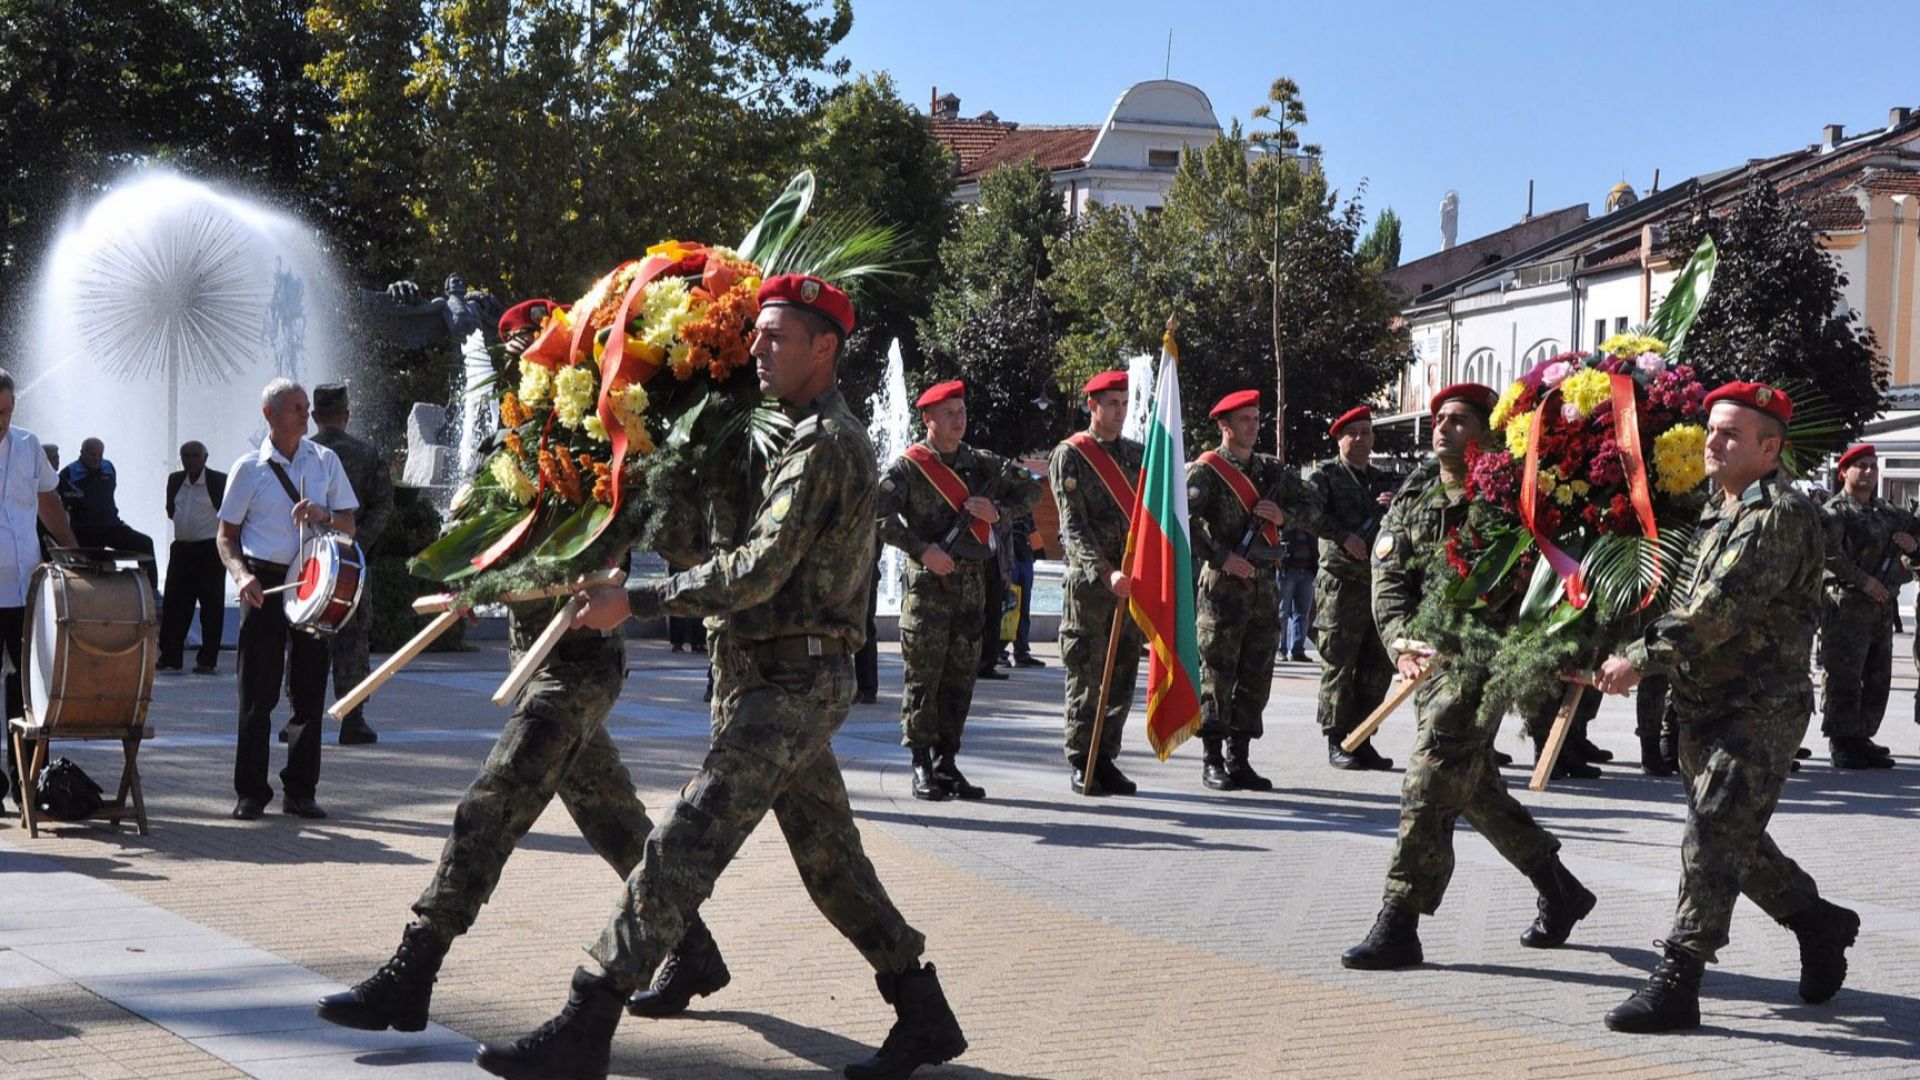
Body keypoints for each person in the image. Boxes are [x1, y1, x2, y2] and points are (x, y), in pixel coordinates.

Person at [474, 275, 965, 1080]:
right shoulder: (784, 435)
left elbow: (760, 569)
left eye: (776, 337)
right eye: (757, 335)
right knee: (832, 862)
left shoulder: (827, 445)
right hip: (770, 678)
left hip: (793, 685)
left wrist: (634, 599)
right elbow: (708, 547)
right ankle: (923, 1012)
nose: (758, 349)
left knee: (684, 842)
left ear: (824, 348)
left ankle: (586, 1019)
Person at [317, 592, 730, 1034]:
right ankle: (693, 948)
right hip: (536, 663)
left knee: (491, 805)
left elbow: (613, 548)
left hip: (577, 668)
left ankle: (414, 969)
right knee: (614, 823)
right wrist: (483, 578)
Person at [1592, 382, 1860, 1033]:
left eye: (1730, 434)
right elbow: (1681, 597)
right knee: (1734, 840)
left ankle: (1680, 977)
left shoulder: (1781, 516)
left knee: (1711, 832)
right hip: (1701, 705)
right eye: (1712, 429)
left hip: (1760, 708)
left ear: (1769, 449)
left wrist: (1640, 658)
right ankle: (1818, 922)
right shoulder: (1718, 510)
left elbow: (1719, 609)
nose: (1712, 441)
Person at [1341, 383, 1594, 971]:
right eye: (1438, 419)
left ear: (1484, 432)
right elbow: (1389, 578)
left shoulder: (1508, 496)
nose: (1442, 428)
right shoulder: (1414, 496)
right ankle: (1561, 889)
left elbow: (1542, 578)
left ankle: (1399, 919)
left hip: (1484, 663)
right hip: (1425, 664)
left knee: (1428, 779)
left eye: (1457, 420)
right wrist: (1402, 644)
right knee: (1473, 790)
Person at [878, 380, 1038, 801]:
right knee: (923, 678)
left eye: (962, 411)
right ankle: (920, 764)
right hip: (928, 587)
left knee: (961, 678)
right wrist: (921, 549)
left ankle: (947, 763)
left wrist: (998, 511)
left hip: (971, 587)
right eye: (949, 413)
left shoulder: (982, 463)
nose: (958, 420)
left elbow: (1032, 488)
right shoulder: (909, 468)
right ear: (927, 419)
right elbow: (877, 514)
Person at [216, 379, 358, 821]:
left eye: (306, 407)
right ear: (269, 415)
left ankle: (301, 790)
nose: (306, 413)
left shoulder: (325, 461)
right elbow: (226, 537)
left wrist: (322, 515)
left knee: (309, 692)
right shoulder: (248, 469)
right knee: (257, 695)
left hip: (313, 582)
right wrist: (241, 577)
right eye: (296, 407)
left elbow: (349, 526)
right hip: (264, 584)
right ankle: (251, 793)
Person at [1185, 389, 1336, 791]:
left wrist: (1284, 516)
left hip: (1265, 587)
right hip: (1223, 589)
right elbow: (1180, 523)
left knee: (1256, 675)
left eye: (1256, 418)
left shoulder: (1272, 471)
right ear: (1225, 426)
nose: (1253, 426)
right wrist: (1219, 556)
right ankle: (1212, 759)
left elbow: (1317, 506)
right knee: (1217, 675)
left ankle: (1240, 758)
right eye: (1245, 420)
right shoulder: (1207, 471)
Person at [1050, 370, 1146, 797]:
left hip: (1130, 587)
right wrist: (1106, 571)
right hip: (1092, 587)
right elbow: (1072, 527)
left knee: (1122, 675)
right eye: (1111, 404)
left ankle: (1106, 757)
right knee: (1087, 676)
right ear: (1092, 406)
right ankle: (1081, 757)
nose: (1120, 412)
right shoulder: (1071, 455)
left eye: (1125, 404)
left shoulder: (1138, 455)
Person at [1302, 406, 1401, 771]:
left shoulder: (1382, 479)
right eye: (1352, 433)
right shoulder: (1324, 477)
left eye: (1366, 432)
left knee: (1376, 666)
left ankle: (1363, 738)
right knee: (1339, 665)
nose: (1360, 439)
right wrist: (1343, 537)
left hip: (1377, 584)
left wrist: (1395, 508)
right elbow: (1308, 515)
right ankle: (1336, 739)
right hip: (1341, 584)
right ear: (1339, 438)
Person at [0, 370, 79, 807]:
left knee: (26, 688)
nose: (2, 420)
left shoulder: (29, 446)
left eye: (7, 411)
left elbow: (48, 500)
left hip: (25, 584)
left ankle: (26, 782)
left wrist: (69, 547)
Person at [1817, 443, 1915, 769]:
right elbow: (1830, 555)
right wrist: (1864, 581)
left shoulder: (1887, 512)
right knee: (1844, 675)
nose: (1870, 472)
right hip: (1846, 605)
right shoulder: (1836, 512)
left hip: (1880, 609)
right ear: (1844, 471)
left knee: (1877, 677)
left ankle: (1861, 736)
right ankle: (1842, 742)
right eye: (1862, 466)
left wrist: (1914, 545)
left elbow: (1916, 532)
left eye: (1873, 466)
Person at [309, 383, 394, 745]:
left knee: (307, 636)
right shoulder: (366, 453)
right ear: (346, 415)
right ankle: (352, 718)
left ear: (314, 416)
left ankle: (301, 716)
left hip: (308, 562)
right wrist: (357, 544)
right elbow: (384, 506)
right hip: (350, 562)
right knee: (352, 637)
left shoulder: (301, 454)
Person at [159, 441, 227, 675]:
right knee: (174, 605)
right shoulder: (175, 480)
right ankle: (169, 656)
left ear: (205, 457)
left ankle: (207, 659)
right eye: (185, 456)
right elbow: (171, 510)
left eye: (195, 455)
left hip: (209, 551)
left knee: (211, 606)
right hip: (182, 550)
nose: (190, 460)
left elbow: (229, 514)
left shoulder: (218, 481)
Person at [57, 437, 157, 587]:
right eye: (92, 455)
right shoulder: (68, 473)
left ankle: (151, 591)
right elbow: (61, 508)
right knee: (93, 564)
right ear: (82, 453)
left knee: (145, 543)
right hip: (85, 531)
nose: (96, 459)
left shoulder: (108, 467)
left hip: (111, 527)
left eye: (99, 455)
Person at [1008, 510, 1043, 667]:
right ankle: (999, 651)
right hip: (1009, 555)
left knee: (1024, 606)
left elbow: (1030, 526)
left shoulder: (1026, 505)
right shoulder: (1004, 497)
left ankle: (1021, 651)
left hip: (1024, 555)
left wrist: (1039, 551)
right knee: (1005, 605)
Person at [1276, 527, 1316, 662]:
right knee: (1282, 612)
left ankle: (1298, 650)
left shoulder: (1312, 516)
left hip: (1308, 570)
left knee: (1303, 614)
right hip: (1287, 570)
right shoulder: (1285, 514)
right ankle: (1281, 650)